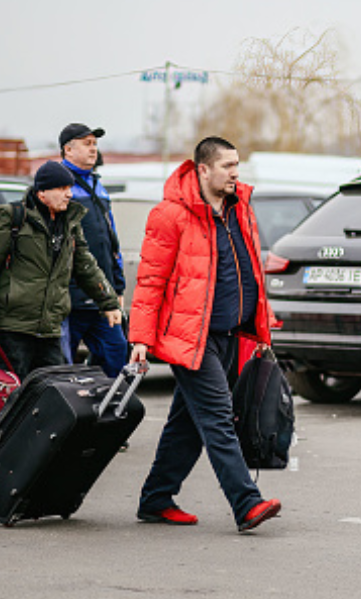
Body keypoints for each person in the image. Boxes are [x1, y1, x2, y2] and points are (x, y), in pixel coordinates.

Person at [128, 136, 281, 532]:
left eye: (236, 165)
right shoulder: (170, 214)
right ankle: (246, 502)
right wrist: (140, 340)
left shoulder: (240, 209)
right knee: (217, 419)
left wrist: (261, 327)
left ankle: (156, 498)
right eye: (227, 166)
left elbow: (251, 273)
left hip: (232, 334)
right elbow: (149, 282)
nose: (235, 173)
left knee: (187, 423)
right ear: (203, 169)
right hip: (189, 337)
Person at [0, 161, 122, 379]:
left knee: (52, 390)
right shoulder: (12, 217)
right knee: (13, 392)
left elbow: (85, 264)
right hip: (14, 327)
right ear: (42, 193)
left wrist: (109, 302)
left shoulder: (70, 221)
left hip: (50, 327)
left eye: (69, 189)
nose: (68, 195)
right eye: (62, 189)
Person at [58, 123, 129, 376]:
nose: (93, 149)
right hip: (70, 298)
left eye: (95, 144)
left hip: (102, 295)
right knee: (63, 363)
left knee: (116, 352)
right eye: (87, 144)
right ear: (68, 150)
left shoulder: (99, 187)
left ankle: (104, 406)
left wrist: (117, 286)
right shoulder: (59, 187)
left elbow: (112, 240)